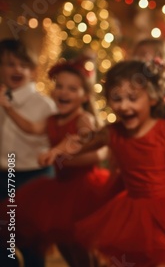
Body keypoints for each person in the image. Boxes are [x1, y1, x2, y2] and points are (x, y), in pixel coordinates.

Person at [74, 60, 165, 266]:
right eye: (116, 98)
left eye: (132, 98)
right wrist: (57, 151)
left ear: (152, 98)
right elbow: (81, 144)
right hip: (132, 215)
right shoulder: (112, 132)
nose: (124, 106)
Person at [0, 57, 111, 266]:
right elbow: (30, 128)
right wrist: (8, 108)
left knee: (83, 249)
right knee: (65, 245)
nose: (63, 92)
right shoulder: (52, 119)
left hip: (84, 189)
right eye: (59, 86)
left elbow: (85, 140)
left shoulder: (82, 119)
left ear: (85, 96)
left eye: (72, 89)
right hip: (59, 189)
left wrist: (57, 153)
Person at [0, 38, 57, 267]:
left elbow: (39, 134)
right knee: (4, 240)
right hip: (5, 175)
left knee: (31, 242)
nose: (17, 69)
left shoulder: (43, 105)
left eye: (23, 65)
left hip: (33, 176)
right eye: (10, 64)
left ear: (33, 70)